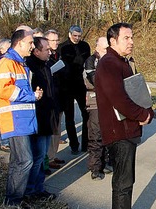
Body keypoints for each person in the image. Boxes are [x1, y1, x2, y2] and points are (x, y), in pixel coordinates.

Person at [94, 22, 153, 209]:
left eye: (132, 37)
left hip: (126, 129)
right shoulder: (109, 63)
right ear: (113, 41)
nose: (131, 41)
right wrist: (143, 115)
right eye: (126, 37)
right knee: (123, 183)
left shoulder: (120, 62)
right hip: (119, 132)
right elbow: (119, 99)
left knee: (125, 181)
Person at [0, 29, 45, 209]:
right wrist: (31, 95)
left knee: (19, 161)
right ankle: (13, 201)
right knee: (24, 161)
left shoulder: (20, 63)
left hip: (23, 121)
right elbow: (3, 89)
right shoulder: (6, 62)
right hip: (14, 121)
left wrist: (32, 95)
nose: (33, 46)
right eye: (30, 43)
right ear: (19, 43)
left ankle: (13, 200)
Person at [25, 37, 59, 198]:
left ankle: (38, 188)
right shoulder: (30, 68)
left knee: (41, 156)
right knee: (36, 158)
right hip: (37, 119)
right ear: (36, 51)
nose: (50, 52)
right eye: (46, 49)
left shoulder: (45, 66)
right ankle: (31, 190)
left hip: (47, 118)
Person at [59, 25, 91, 154]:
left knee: (86, 114)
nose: (77, 38)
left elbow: (87, 63)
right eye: (74, 36)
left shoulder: (85, 46)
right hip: (66, 85)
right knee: (69, 117)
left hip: (79, 83)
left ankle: (85, 144)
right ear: (69, 34)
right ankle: (74, 145)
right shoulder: (63, 47)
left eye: (79, 36)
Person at [84, 36, 110, 180]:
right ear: (97, 47)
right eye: (105, 48)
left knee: (107, 134)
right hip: (94, 101)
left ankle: (104, 163)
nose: (107, 51)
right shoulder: (90, 61)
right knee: (95, 134)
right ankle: (95, 168)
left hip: (108, 101)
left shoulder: (110, 60)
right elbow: (94, 80)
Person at [43, 29, 66, 167]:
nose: (56, 42)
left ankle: (53, 155)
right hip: (49, 97)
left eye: (57, 40)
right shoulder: (44, 57)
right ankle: (48, 158)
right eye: (53, 40)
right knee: (50, 130)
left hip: (60, 96)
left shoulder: (59, 54)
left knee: (57, 129)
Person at [0, 38, 11, 152]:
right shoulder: (0, 62)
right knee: (4, 119)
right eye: (8, 48)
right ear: (1, 49)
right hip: (2, 96)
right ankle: (4, 142)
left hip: (9, 95)